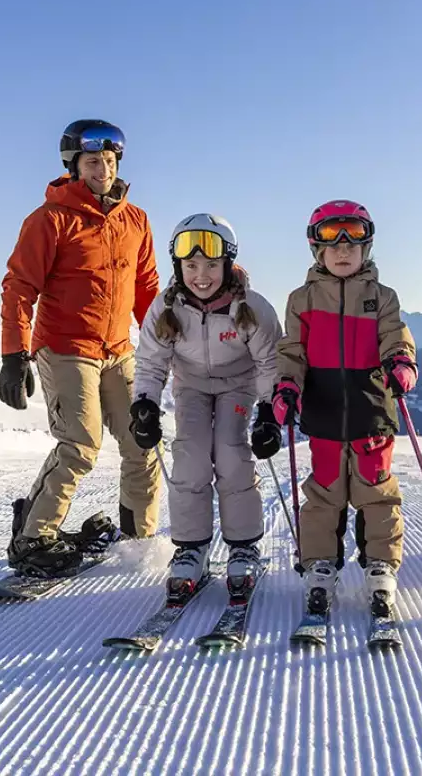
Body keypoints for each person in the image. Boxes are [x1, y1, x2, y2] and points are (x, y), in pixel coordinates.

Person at [0, 119, 163, 576]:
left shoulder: (136, 220)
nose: (102, 169)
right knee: (81, 444)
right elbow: (19, 288)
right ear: (74, 166)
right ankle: (33, 537)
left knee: (142, 442)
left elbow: (147, 288)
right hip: (67, 347)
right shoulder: (50, 219)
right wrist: (14, 356)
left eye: (109, 161)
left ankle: (138, 540)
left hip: (119, 349)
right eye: (92, 161)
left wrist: (167, 348)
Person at [272, 200, 418, 619]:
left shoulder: (382, 297)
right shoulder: (302, 299)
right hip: (323, 404)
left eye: (352, 238)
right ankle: (320, 563)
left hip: (371, 403)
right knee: (324, 489)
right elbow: (293, 350)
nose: (342, 248)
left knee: (375, 489)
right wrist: (286, 387)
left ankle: (381, 565)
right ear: (316, 249)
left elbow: (395, 335)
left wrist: (401, 362)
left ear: (366, 246)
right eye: (332, 240)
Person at [129, 214, 283, 600]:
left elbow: (270, 363)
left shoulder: (252, 308)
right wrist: (144, 404)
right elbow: (150, 363)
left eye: (211, 265)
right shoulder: (166, 308)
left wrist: (269, 412)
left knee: (230, 454)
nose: (201, 275)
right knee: (191, 455)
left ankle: (243, 545)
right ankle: (191, 547)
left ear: (227, 264)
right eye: (191, 265)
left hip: (239, 386)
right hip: (192, 387)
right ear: (178, 266)